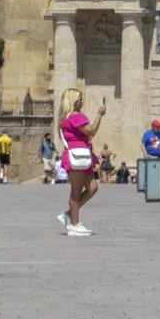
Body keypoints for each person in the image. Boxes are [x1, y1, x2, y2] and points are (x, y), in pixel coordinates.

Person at [56, 88, 105, 236]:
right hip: (78, 155)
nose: (82, 101)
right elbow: (91, 131)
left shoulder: (66, 118)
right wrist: (99, 114)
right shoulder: (76, 117)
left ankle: (71, 215)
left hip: (82, 155)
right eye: (80, 98)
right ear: (73, 101)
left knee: (92, 187)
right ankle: (75, 224)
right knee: (76, 192)